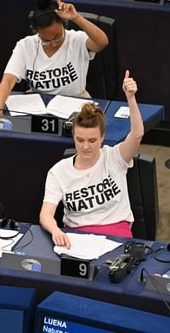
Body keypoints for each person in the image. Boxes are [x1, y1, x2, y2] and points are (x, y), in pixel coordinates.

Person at [39, 70, 142, 248]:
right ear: (73, 136)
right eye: (80, 140)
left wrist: (130, 98)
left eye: (92, 140)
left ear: (102, 137)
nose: (86, 146)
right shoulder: (58, 171)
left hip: (116, 231)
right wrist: (55, 230)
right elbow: (45, 214)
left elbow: (137, 134)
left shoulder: (115, 157)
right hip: (76, 235)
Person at [0, 0, 108, 115]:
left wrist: (76, 17)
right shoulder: (25, 46)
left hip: (75, 104)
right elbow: (8, 80)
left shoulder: (77, 39)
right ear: (36, 32)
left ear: (64, 24)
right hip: (37, 107)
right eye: (46, 40)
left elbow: (102, 42)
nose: (53, 44)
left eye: (57, 37)